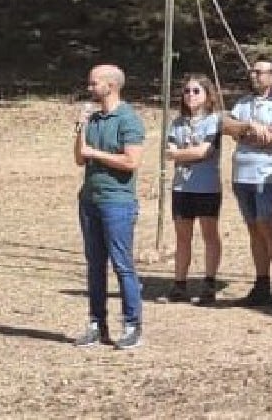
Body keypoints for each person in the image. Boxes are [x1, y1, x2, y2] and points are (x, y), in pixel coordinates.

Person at [72, 64, 146, 350]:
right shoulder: (93, 118)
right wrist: (80, 129)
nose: (89, 88)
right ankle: (96, 323)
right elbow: (80, 159)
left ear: (111, 86)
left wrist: (95, 153)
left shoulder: (128, 120)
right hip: (90, 200)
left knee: (122, 265)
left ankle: (132, 324)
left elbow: (131, 162)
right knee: (94, 265)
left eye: (93, 84)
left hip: (117, 202)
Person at [219, 58, 272, 309]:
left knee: (268, 226)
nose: (253, 75)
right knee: (253, 228)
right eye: (252, 71)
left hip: (267, 176)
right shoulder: (243, 103)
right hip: (241, 175)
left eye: (259, 72)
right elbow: (224, 125)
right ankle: (261, 284)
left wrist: (244, 134)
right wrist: (248, 127)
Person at [162, 74, 224, 306]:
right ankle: (179, 284)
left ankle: (209, 282)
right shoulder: (177, 123)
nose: (190, 95)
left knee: (209, 234)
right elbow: (169, 152)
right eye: (187, 91)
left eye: (196, 91)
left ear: (207, 95)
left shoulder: (214, 121)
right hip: (182, 187)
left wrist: (181, 154)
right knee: (182, 237)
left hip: (206, 187)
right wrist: (183, 153)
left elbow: (203, 152)